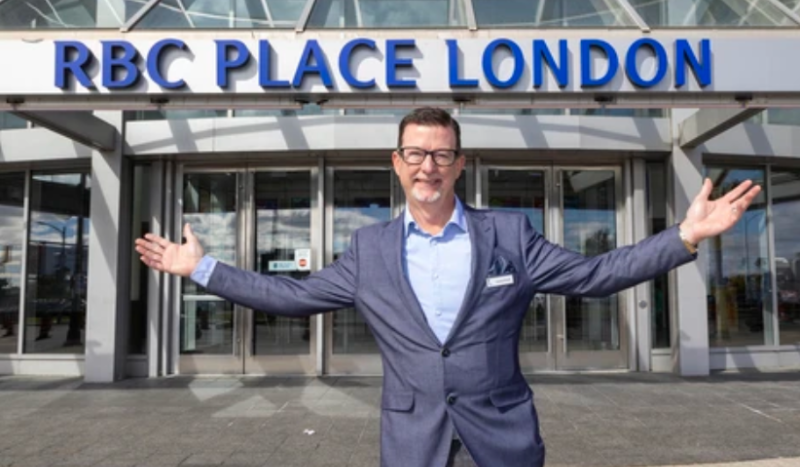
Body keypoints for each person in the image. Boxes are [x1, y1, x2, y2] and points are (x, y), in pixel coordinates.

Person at [135, 107, 761, 467]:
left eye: (441, 155)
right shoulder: (368, 249)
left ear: (460, 164)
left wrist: (683, 235)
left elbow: (594, 277)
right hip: (414, 442)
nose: (428, 166)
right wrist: (201, 270)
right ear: (397, 163)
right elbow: (293, 298)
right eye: (415, 154)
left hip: (502, 437)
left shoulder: (509, 235)